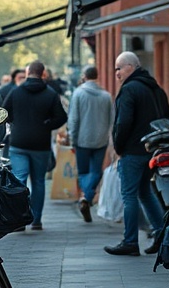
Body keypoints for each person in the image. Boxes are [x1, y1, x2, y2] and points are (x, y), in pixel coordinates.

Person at [104, 51, 169, 256]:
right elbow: (168, 117)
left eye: (119, 68)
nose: (116, 73)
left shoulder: (129, 90)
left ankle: (130, 241)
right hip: (152, 151)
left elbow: (123, 122)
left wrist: (118, 146)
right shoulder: (156, 88)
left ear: (131, 67)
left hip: (132, 151)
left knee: (129, 196)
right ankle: (162, 236)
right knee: (145, 192)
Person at [2, 59, 68, 231]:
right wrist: (46, 125)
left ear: (28, 72)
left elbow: (3, 112)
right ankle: (36, 220)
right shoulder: (51, 94)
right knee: (39, 182)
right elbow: (62, 117)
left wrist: (16, 123)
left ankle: (20, 219)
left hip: (19, 142)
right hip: (41, 144)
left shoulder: (16, 92)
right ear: (43, 73)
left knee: (20, 180)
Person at [66, 65, 114, 223]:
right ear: (97, 76)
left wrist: (72, 138)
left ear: (84, 76)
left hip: (82, 140)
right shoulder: (106, 96)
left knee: (83, 172)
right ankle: (86, 198)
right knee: (96, 172)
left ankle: (85, 197)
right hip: (101, 140)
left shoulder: (78, 93)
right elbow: (112, 120)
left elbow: (73, 119)